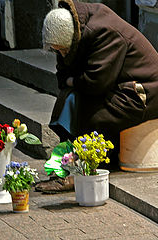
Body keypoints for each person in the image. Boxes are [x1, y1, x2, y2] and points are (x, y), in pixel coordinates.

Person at [35, 0, 158, 193]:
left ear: (72, 37)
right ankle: (69, 165)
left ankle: (82, 171)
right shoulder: (70, 32)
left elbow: (96, 82)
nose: (61, 53)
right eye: (57, 50)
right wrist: (71, 81)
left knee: (94, 114)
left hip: (144, 92)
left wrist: (72, 81)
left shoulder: (105, 31)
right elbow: (64, 76)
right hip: (116, 84)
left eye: (62, 49)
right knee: (69, 98)